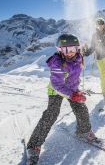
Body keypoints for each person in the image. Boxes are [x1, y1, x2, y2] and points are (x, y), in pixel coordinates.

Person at [26, 34, 97, 164]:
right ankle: (34, 145)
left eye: (73, 49)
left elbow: (84, 55)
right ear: (59, 50)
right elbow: (57, 85)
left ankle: (84, 131)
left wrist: (76, 91)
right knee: (51, 113)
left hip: (72, 88)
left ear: (77, 48)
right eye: (66, 50)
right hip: (56, 90)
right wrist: (73, 95)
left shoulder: (78, 56)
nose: (70, 53)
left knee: (81, 108)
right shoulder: (57, 63)